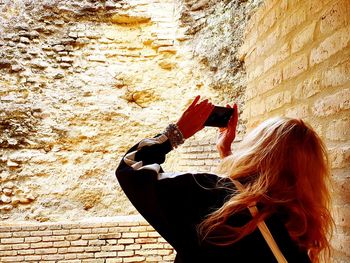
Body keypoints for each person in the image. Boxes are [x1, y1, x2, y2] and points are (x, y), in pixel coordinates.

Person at [115, 96, 333, 263]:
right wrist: (225, 151)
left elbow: (131, 167)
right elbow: (253, 204)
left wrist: (177, 133)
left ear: (258, 151)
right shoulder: (300, 230)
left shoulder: (210, 197)